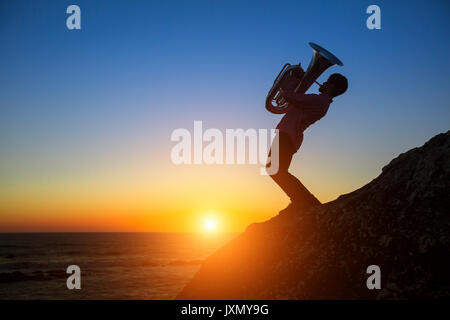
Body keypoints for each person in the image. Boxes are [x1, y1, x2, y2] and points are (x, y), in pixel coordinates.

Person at [267, 71, 348, 212]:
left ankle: (305, 201)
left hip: (287, 135)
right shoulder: (320, 101)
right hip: (289, 135)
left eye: (327, 81)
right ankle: (301, 200)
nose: (323, 82)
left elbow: (288, 96)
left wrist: (293, 79)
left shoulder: (318, 100)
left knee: (275, 170)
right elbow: (294, 99)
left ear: (332, 87)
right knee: (278, 170)